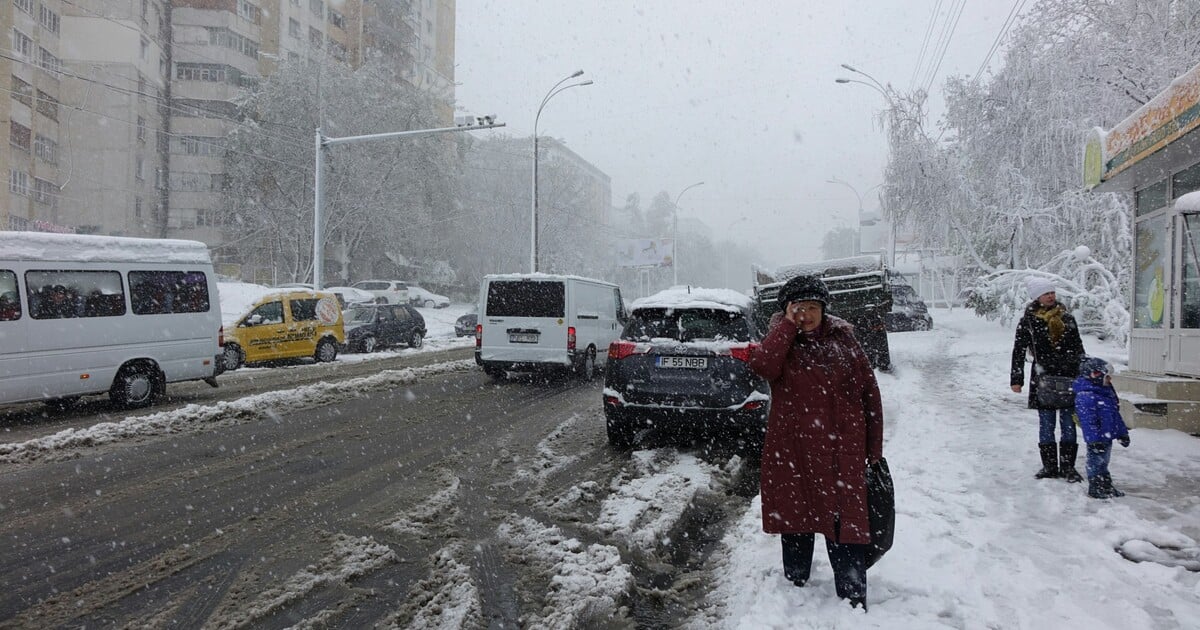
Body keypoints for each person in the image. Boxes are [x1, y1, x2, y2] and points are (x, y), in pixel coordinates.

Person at [748, 274, 884, 612]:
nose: (805, 315)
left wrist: (874, 447)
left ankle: (852, 597)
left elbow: (869, 392)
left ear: (824, 309)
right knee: (797, 518)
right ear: (787, 311)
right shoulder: (781, 340)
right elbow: (763, 366)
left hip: (842, 451)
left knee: (846, 525)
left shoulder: (844, 340)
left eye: (812, 308)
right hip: (794, 449)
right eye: (798, 309)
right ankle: (795, 588)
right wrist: (786, 328)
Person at [1011, 277, 1086, 483]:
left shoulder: (1067, 317)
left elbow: (1078, 348)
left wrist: (1084, 372)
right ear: (1037, 297)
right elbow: (1018, 351)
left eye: (1052, 292)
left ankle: (1068, 466)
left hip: (1068, 375)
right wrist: (1017, 379)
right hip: (1043, 377)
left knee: (1068, 423)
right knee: (1046, 423)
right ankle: (1050, 466)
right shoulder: (1028, 321)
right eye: (1046, 293)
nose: (1051, 296)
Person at [1073, 357, 1131, 499]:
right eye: (1107, 376)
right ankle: (1095, 486)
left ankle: (1105, 485)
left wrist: (1122, 433)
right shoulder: (1086, 396)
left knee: (1103, 462)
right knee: (1095, 462)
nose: (1109, 380)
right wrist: (1094, 440)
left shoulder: (1105, 393)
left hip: (1106, 436)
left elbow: (1115, 416)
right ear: (1095, 375)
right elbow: (1088, 421)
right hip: (1097, 439)